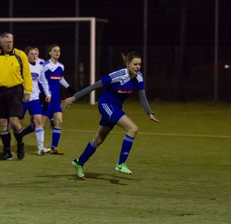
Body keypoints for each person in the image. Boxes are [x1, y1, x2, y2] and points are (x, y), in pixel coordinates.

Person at [62, 51, 160, 180]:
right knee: (133, 129)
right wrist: (73, 98)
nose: (137, 67)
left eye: (139, 64)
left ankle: (79, 162)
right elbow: (94, 86)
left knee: (98, 140)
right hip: (105, 105)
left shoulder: (139, 77)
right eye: (135, 64)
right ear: (127, 64)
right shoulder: (117, 75)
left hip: (115, 108)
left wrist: (150, 113)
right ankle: (121, 163)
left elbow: (142, 96)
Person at [0, 32, 33, 160]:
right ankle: (7, 152)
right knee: (2, 123)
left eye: (10, 42)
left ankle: (19, 144)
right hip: (0, 93)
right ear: (1, 44)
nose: (9, 44)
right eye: (6, 42)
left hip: (15, 92)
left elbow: (27, 74)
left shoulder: (20, 55)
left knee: (14, 121)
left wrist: (28, 91)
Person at [41, 44, 75, 154]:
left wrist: (70, 88)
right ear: (49, 53)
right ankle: (38, 145)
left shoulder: (61, 66)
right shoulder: (45, 66)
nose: (57, 53)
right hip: (46, 98)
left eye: (59, 51)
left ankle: (54, 147)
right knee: (40, 124)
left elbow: (60, 79)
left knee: (59, 121)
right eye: (54, 51)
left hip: (56, 98)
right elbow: (40, 81)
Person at [20, 46, 51, 155]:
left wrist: (47, 93)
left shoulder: (39, 66)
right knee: (17, 124)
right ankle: (0, 129)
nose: (34, 56)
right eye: (32, 54)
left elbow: (43, 81)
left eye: (35, 54)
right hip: (22, 99)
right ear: (27, 55)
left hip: (34, 98)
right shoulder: (22, 66)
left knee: (38, 120)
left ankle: (40, 147)